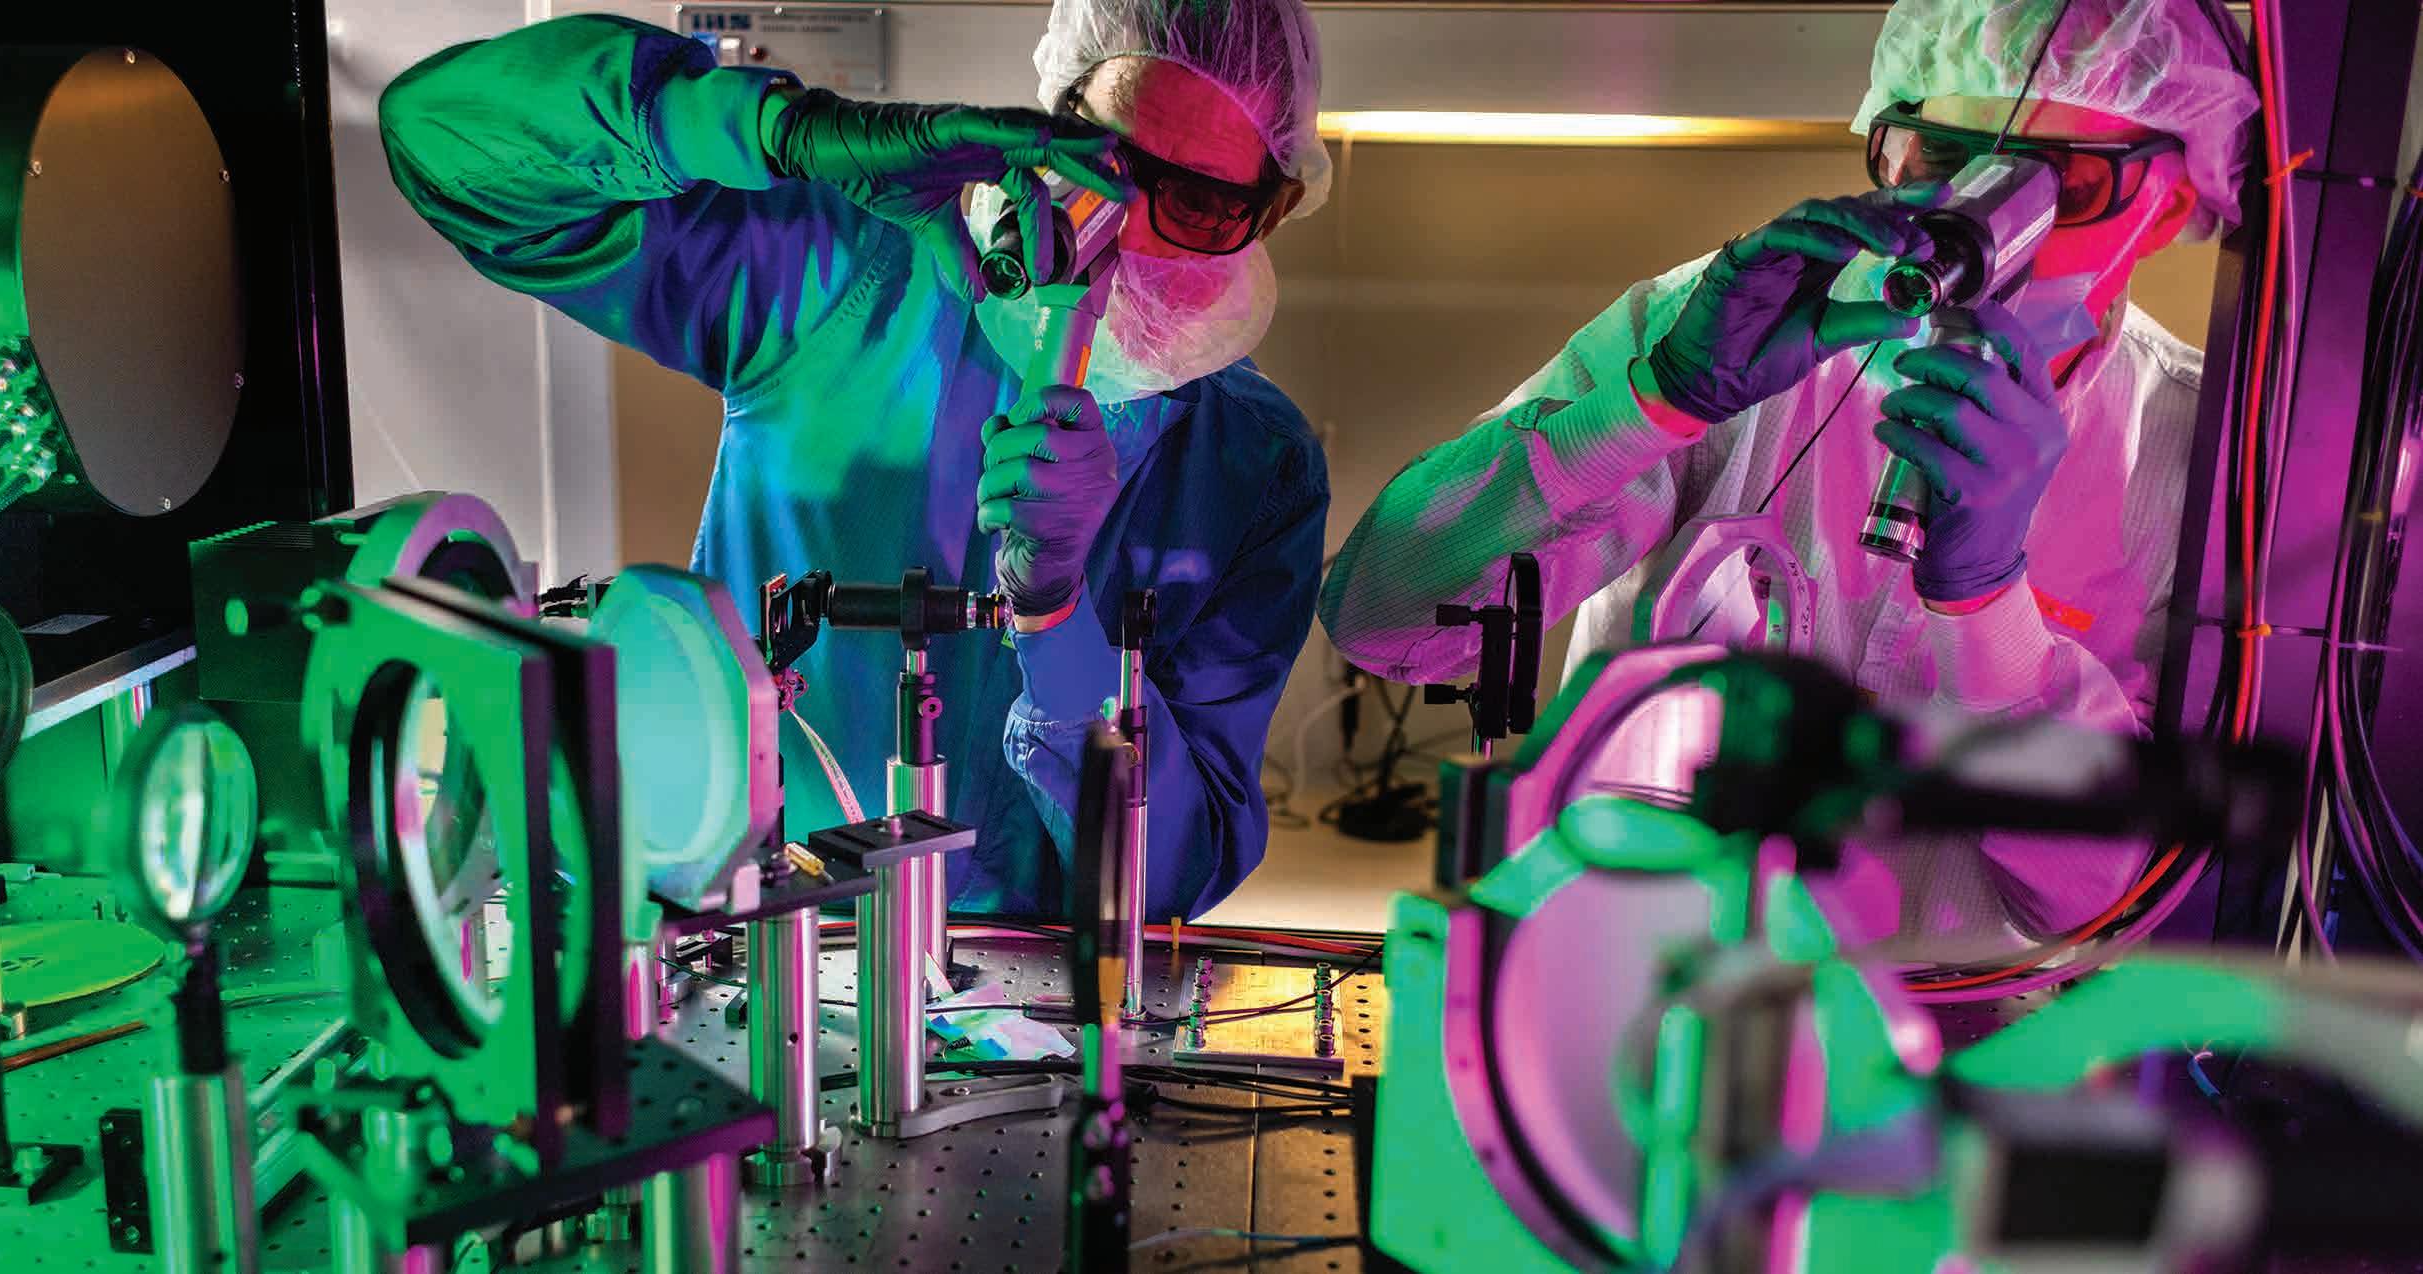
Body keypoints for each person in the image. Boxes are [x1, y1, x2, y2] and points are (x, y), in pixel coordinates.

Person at [1319, 0, 2257, 954]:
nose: (1979, 228)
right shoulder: (1732, 324)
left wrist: (1989, 612)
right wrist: (1655, 402)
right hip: (1625, 997)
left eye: (2063, 184)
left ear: (2169, 202)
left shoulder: (2196, 455)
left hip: (1953, 1029)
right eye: (1944, 159)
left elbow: (2097, 901)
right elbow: (1383, 618)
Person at [380, 0, 1332, 920]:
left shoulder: (1258, 468)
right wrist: (778, 131)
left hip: (1027, 997)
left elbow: (1170, 879)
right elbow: (441, 138)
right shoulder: (852, 275)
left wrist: (1057, 615)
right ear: (1054, 116)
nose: (1123, 227)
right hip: (757, 938)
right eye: (1105, 162)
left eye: (1199, 204)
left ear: (1274, 208)